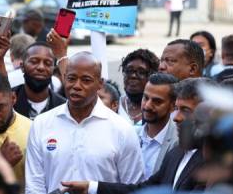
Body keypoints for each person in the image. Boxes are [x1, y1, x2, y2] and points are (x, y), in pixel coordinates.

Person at [61, 78, 212, 194]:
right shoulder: (176, 153)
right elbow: (144, 190)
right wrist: (91, 187)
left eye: (185, 110)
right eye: (177, 109)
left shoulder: (216, 162)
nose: (176, 117)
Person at [25, 52, 144, 194]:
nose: (77, 86)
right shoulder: (41, 124)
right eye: (71, 78)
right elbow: (34, 185)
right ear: (64, 78)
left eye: (86, 80)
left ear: (100, 83)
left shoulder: (122, 130)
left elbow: (133, 186)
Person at [139, 73, 178, 179]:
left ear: (173, 106)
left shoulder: (178, 143)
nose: (147, 105)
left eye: (157, 101)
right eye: (145, 98)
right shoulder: (129, 135)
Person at [12, 42, 66, 120]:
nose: (41, 67)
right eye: (34, 62)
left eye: (47, 63)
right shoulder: (10, 101)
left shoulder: (62, 106)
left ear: (53, 69)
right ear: (22, 66)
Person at [119, 49, 159, 125]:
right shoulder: (115, 104)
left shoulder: (159, 108)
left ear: (152, 76)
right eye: (129, 71)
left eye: (141, 72)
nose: (133, 75)